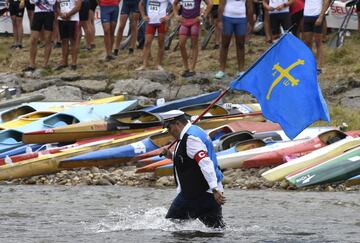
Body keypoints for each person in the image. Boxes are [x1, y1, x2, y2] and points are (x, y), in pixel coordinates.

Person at [161, 110, 226, 229]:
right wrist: (172, 156)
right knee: (216, 231)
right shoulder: (196, 130)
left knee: (172, 225)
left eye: (169, 128)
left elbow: (205, 163)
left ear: (177, 124)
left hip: (198, 193)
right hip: (209, 193)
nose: (169, 132)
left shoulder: (190, 138)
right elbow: (190, 159)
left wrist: (214, 189)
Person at [173, 0, 213, 78]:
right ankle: (186, 67)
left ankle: (192, 68)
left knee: (194, 45)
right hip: (184, 21)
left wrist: (203, 16)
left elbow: (210, 4)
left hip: (195, 21)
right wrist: (176, 15)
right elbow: (174, 3)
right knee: (181, 44)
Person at [215, 0, 253, 79]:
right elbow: (221, 4)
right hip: (227, 17)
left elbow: (249, 7)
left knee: (241, 45)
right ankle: (221, 70)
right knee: (225, 44)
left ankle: (241, 70)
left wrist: (250, 22)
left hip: (241, 18)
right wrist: (220, 20)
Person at [137, 0, 173, 71]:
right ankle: (144, 65)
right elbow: (141, 3)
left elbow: (176, 5)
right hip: (151, 22)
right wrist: (143, 15)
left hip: (161, 22)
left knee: (161, 43)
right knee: (147, 43)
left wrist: (169, 16)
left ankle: (158, 64)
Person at [23, 0, 56, 72]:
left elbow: (52, 2)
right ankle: (32, 64)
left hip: (49, 13)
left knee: (48, 39)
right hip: (37, 14)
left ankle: (45, 63)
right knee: (33, 39)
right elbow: (32, 1)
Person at [302, 0, 330, 74]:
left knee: (318, 43)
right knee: (307, 43)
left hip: (317, 15)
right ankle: (310, 64)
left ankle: (319, 66)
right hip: (307, 15)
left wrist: (321, 17)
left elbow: (326, 2)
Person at [56, 0, 82, 70]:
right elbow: (57, 6)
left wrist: (68, 15)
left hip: (73, 19)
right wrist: (61, 14)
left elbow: (78, 6)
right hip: (61, 19)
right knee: (64, 41)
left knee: (73, 41)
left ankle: (74, 63)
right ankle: (64, 62)